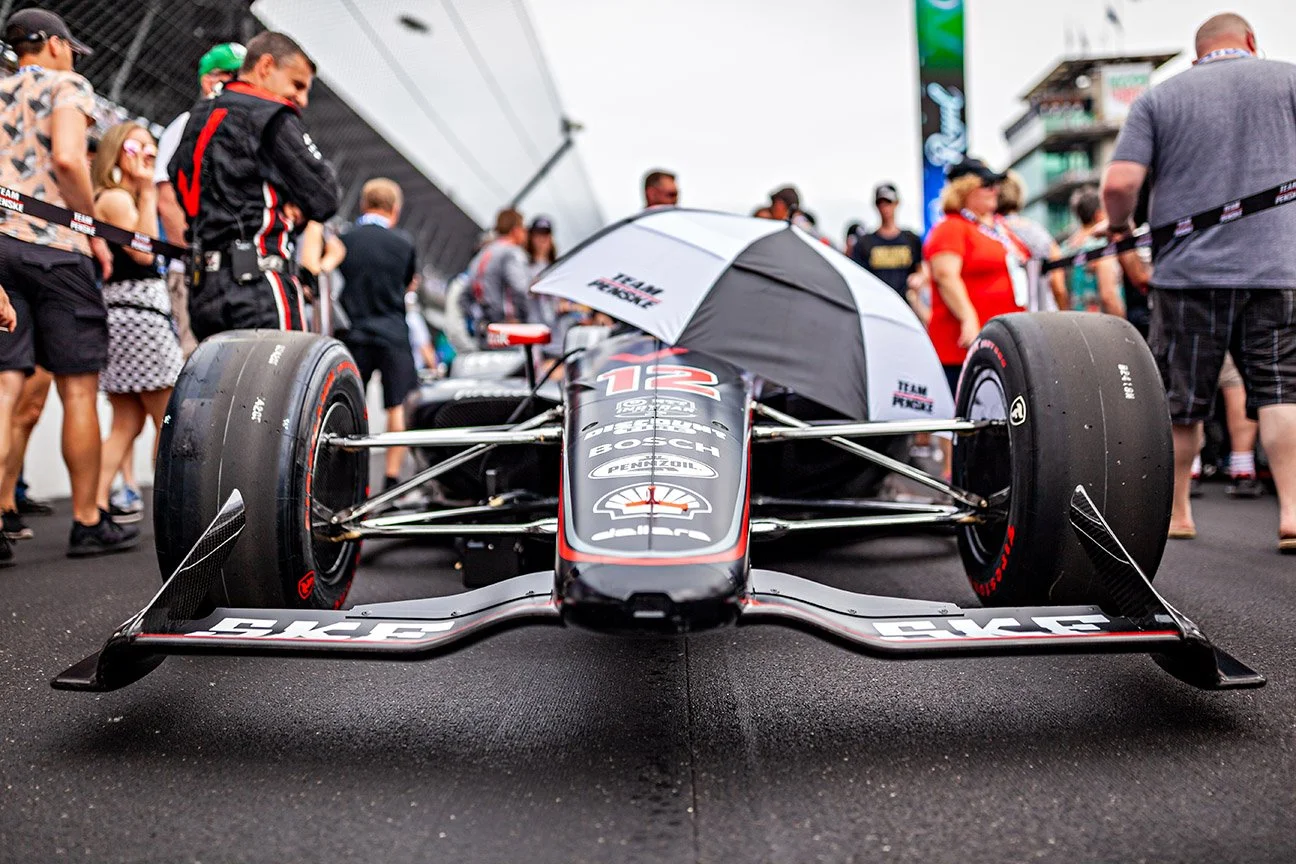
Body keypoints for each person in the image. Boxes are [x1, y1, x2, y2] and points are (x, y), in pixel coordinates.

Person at [1101, 12, 1296, 551]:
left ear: (1198, 54)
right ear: (1251, 43)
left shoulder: (1160, 99)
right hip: (1278, 269)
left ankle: (1179, 513)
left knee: (1182, 400)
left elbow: (1119, 183)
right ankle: (1292, 513)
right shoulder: (1289, 79)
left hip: (1188, 275)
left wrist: (1120, 228)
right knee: (1281, 390)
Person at [0, 8, 139, 558]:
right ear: (54, 45)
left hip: (0, 248)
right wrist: (92, 229)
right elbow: (66, 158)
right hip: (56, 250)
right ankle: (87, 521)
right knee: (77, 388)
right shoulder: (67, 84)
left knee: (7, 386)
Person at [168, 30, 339, 340]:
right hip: (260, 284)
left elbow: (178, 180)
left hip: (204, 290)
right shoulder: (269, 114)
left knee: (216, 387)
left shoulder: (197, 115)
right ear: (266, 67)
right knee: (283, 386)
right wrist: (289, 202)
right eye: (297, 85)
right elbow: (325, 197)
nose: (302, 99)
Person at [89, 123, 183, 522]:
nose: (145, 155)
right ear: (116, 151)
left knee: (126, 422)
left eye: (151, 149)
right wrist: (147, 191)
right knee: (169, 418)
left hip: (131, 316)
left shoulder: (117, 196)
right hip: (139, 319)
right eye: (135, 147)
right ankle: (171, 508)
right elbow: (143, 252)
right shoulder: (115, 198)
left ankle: (91, 507)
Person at [154, 42, 245, 358]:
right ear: (211, 80)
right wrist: (194, 257)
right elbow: (166, 199)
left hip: (234, 270)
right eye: (236, 77)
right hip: (197, 270)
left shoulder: (238, 127)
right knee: (199, 362)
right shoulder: (186, 124)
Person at [336, 178, 419, 491]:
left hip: (354, 332)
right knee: (397, 405)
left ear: (363, 204)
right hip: (393, 333)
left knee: (351, 404)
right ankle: (392, 479)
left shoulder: (344, 239)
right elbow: (409, 282)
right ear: (394, 210)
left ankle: (347, 478)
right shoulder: (404, 243)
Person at [924, 157, 1029, 395]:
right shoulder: (951, 227)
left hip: (1002, 343)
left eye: (995, 185)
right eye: (987, 185)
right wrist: (968, 317)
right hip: (965, 347)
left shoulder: (1000, 227)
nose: (995, 190)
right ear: (966, 190)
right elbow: (945, 275)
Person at [998, 172, 1068, 311]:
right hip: (1043, 312)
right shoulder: (1038, 232)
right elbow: (1058, 285)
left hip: (1007, 315)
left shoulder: (991, 232)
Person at [463, 208, 531, 337]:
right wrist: (526, 322)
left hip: (486, 332)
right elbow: (521, 289)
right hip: (508, 332)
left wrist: (480, 319)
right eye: (523, 228)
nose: (525, 233)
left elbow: (464, 297)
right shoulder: (512, 252)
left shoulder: (481, 255)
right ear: (516, 230)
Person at [851, 183, 923, 304]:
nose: (885, 208)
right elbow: (859, 278)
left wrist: (918, 279)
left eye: (888, 202)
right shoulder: (865, 242)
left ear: (896, 203)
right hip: (877, 305)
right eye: (881, 203)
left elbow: (921, 270)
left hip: (906, 305)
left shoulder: (911, 239)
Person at [1060, 185, 1125, 316]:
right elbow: (1109, 296)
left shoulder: (1065, 247)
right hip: (1101, 326)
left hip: (1073, 324)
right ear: (1099, 215)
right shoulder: (1101, 246)